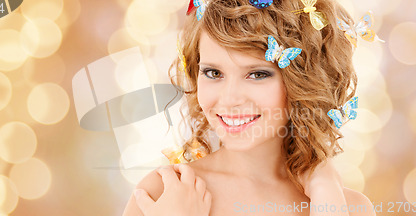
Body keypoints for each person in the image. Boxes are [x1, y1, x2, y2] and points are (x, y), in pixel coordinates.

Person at [123, 0, 375, 215]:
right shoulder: (164, 194)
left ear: (303, 82)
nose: (230, 98)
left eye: (257, 74)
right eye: (213, 72)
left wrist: (326, 194)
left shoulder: (349, 207)